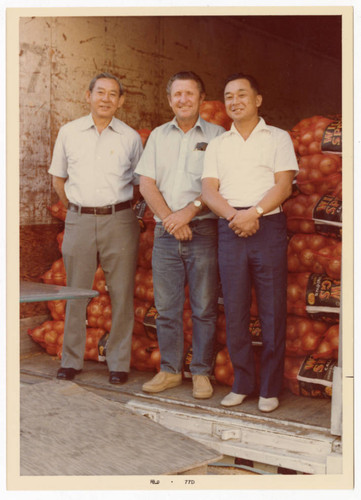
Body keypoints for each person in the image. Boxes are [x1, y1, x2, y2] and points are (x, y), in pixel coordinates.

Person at [202, 73, 298, 412]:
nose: (234, 101)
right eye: (228, 96)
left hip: (268, 225)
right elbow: (208, 190)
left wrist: (254, 212)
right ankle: (243, 382)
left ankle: (270, 388)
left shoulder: (278, 138)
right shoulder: (218, 144)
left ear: (258, 99)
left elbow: (283, 186)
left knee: (272, 309)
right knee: (236, 308)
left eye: (242, 94)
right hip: (230, 227)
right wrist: (234, 216)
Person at [48, 72, 143, 384]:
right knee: (76, 291)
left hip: (120, 219)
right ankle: (71, 360)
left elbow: (140, 183)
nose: (105, 99)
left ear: (121, 101)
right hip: (79, 219)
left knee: (122, 292)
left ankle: (118, 363)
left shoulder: (130, 137)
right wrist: (76, 208)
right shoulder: (69, 132)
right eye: (100, 92)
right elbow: (58, 179)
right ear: (87, 96)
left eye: (112, 94)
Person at [135, 71, 225, 399]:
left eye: (190, 94)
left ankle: (201, 372)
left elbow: (218, 185)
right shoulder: (158, 136)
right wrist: (171, 220)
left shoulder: (218, 136)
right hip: (164, 232)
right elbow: (147, 184)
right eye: (177, 95)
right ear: (169, 99)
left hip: (203, 230)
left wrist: (187, 213)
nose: (183, 100)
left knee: (203, 306)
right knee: (167, 306)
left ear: (202, 99)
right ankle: (170, 370)